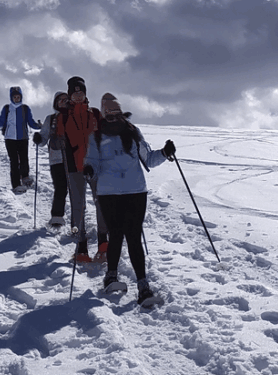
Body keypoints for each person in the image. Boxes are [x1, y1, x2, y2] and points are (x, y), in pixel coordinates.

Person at [83, 92, 176, 307]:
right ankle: (111, 276)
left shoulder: (133, 132)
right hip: (109, 193)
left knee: (133, 236)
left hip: (136, 191)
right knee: (116, 234)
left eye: (117, 112)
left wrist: (164, 152)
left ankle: (143, 286)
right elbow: (92, 161)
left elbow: (149, 159)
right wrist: (89, 169)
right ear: (104, 114)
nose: (114, 116)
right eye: (109, 113)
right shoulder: (96, 135)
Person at [55, 76, 107, 263]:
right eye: (74, 92)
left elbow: (105, 136)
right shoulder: (63, 116)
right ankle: (82, 245)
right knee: (78, 206)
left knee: (101, 203)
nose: (78, 95)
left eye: (81, 91)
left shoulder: (94, 113)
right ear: (70, 95)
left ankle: (103, 243)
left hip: (96, 166)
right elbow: (58, 139)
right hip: (74, 167)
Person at [0, 87, 41, 194]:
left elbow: (31, 122)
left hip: (23, 137)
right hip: (10, 138)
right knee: (14, 161)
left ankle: (25, 177)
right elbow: (1, 123)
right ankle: (16, 184)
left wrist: (39, 126)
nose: (16, 99)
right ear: (11, 97)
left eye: (18, 97)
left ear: (21, 97)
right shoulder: (7, 108)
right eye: (14, 97)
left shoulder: (25, 108)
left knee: (24, 159)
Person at [33, 91, 69, 226]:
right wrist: (38, 139)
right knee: (60, 188)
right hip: (56, 158)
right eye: (60, 100)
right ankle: (57, 216)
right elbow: (43, 138)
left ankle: (77, 218)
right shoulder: (51, 119)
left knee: (75, 190)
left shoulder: (75, 117)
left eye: (66, 99)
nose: (63, 102)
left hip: (74, 158)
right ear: (56, 103)